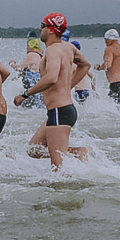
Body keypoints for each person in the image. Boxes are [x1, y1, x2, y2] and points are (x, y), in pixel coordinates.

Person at [18, 13, 92, 169]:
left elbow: (51, 78)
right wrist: (68, 86)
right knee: (33, 150)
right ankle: (77, 152)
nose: (40, 28)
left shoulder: (52, 50)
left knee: (58, 169)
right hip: (61, 110)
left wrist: (26, 94)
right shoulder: (69, 47)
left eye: (43, 25)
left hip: (60, 111)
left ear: (51, 30)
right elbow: (85, 65)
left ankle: (67, 192)